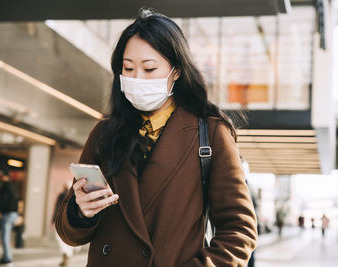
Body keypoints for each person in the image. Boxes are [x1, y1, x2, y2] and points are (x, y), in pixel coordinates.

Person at [55, 8, 257, 267]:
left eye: (149, 69)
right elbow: (68, 232)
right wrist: (80, 212)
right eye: (128, 68)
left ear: (177, 71)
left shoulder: (210, 134)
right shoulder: (104, 134)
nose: (137, 78)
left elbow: (239, 231)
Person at [0, 169, 19, 265]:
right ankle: (7, 256)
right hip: (13, 214)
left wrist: (0, 211)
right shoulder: (13, 187)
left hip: (7, 214)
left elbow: (2, 201)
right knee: (7, 236)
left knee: (5, 236)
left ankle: (7, 257)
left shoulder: (4, 186)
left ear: (4, 176)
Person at [52, 181, 75, 267]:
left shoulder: (62, 195)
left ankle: (66, 256)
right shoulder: (73, 195)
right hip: (70, 220)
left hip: (61, 219)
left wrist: (53, 219)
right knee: (67, 240)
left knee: (60, 239)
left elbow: (57, 207)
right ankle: (66, 257)